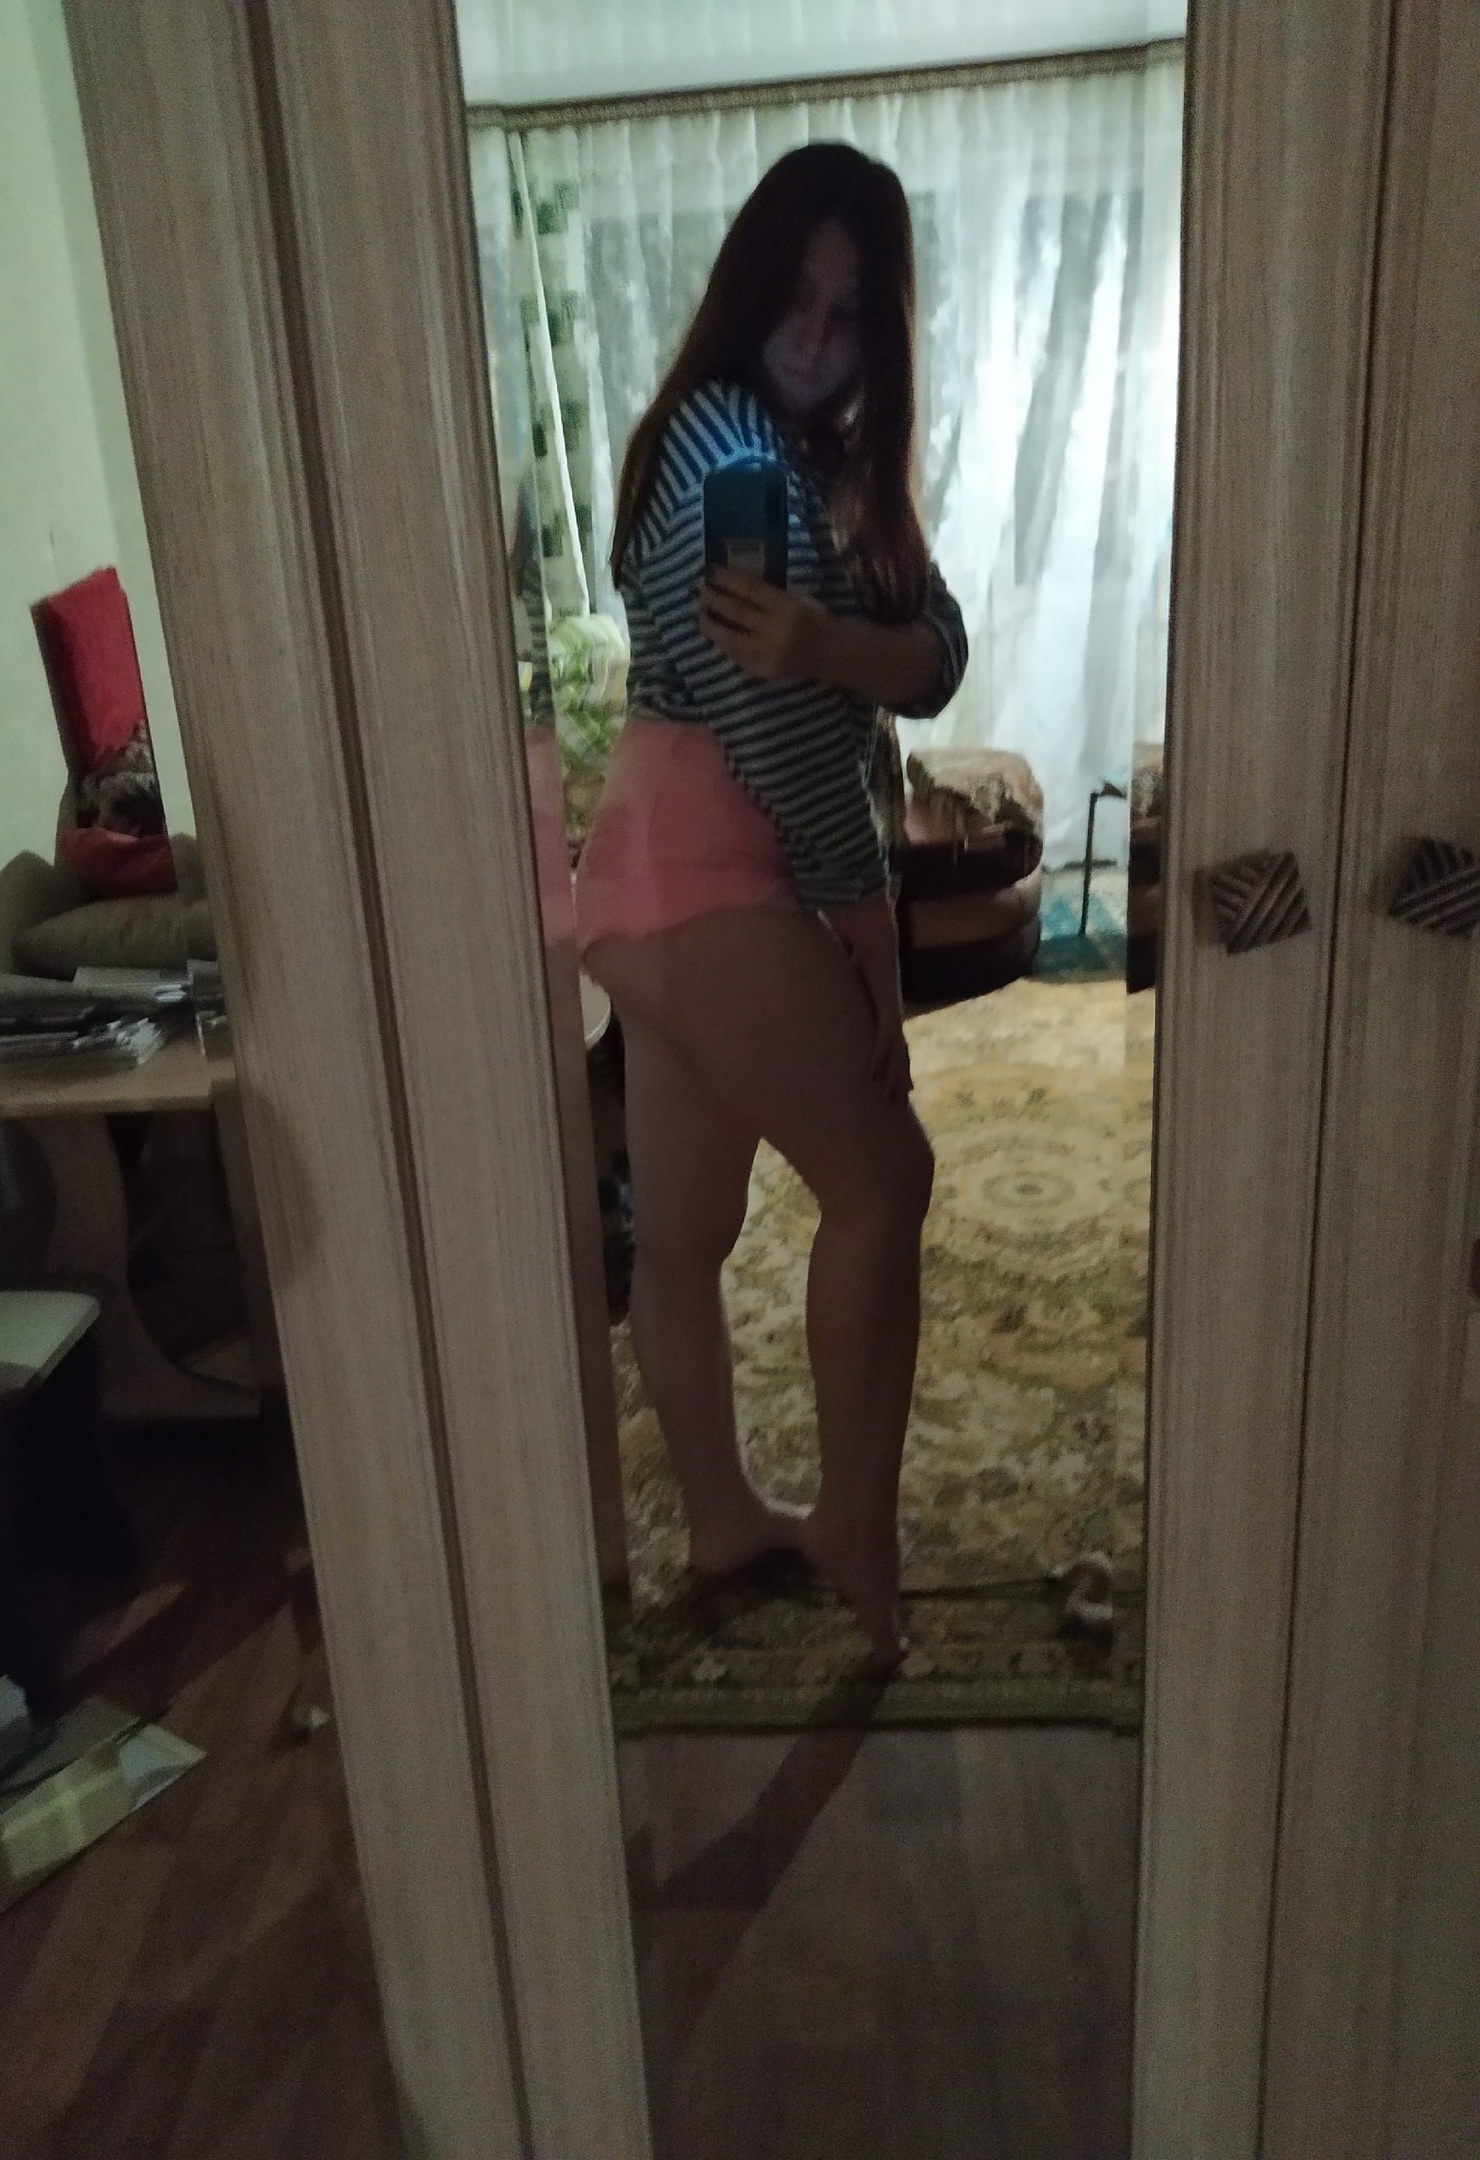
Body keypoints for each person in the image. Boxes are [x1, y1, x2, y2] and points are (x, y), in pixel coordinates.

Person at [574, 142, 967, 1666]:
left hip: (650, 873)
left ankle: (726, 1519)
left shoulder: (807, 459)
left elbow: (936, 651)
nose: (816, 335)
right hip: (708, 865)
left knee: (683, 1228)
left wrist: (830, 644)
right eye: (794, 298)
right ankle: (857, 1515)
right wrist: (869, 948)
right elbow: (784, 738)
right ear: (747, 292)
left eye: (849, 312)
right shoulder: (732, 462)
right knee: (884, 1178)